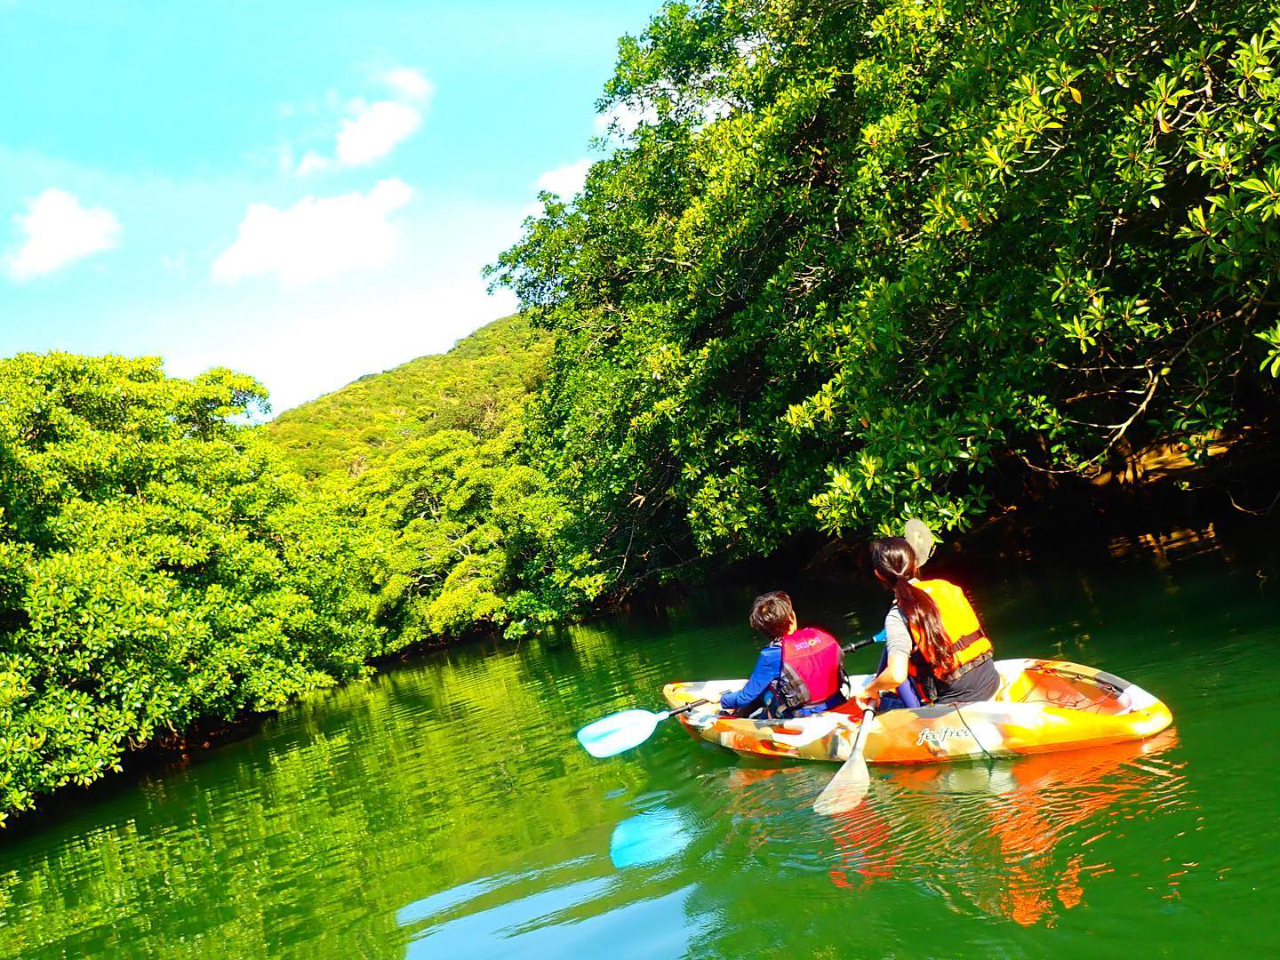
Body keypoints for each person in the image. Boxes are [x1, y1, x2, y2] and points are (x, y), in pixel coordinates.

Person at [857, 538, 999, 707]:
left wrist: (869, 689)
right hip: (991, 680)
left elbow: (896, 675)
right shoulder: (946, 587)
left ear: (878, 574)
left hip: (957, 701)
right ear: (915, 563)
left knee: (886, 702)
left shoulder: (897, 615)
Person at [719, 591, 846, 718]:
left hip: (802, 716)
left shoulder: (771, 654)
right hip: (838, 702)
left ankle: (742, 717)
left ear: (764, 630)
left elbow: (744, 698)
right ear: (792, 617)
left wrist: (722, 700)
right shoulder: (820, 635)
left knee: (761, 692)